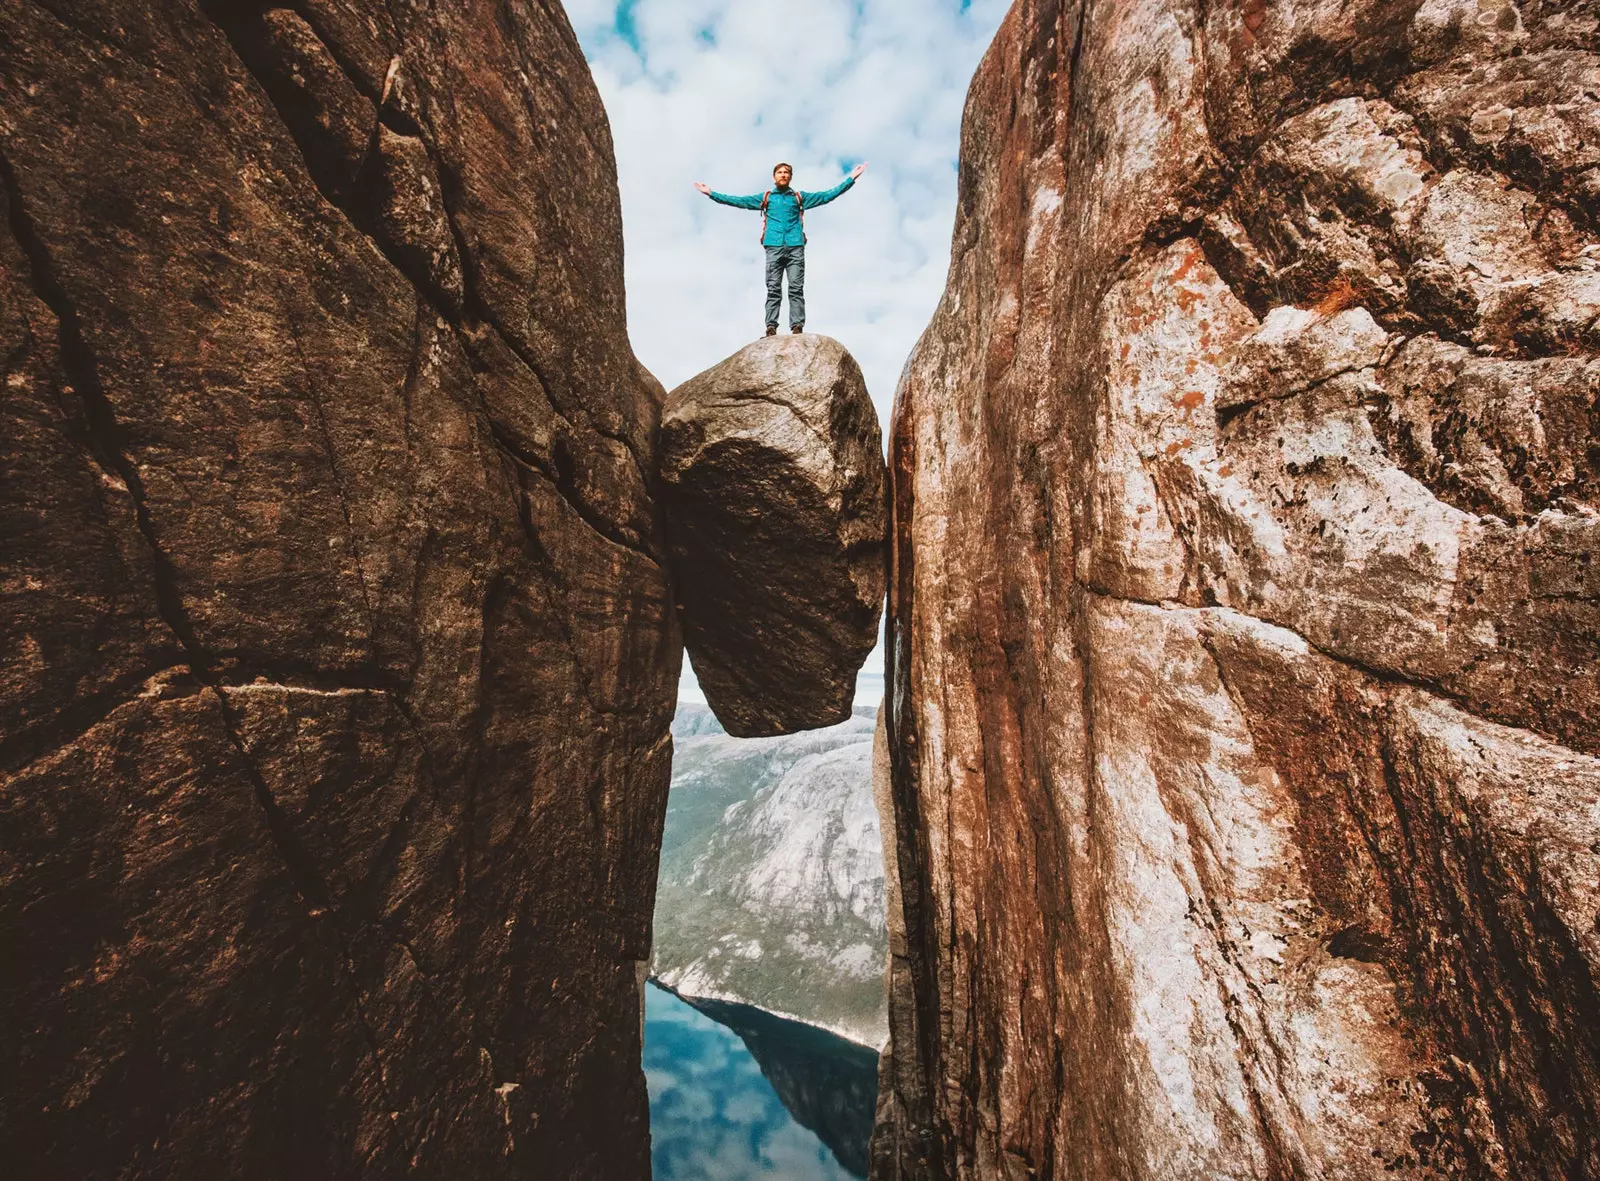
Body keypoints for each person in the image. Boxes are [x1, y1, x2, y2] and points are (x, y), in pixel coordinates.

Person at [694, 161, 868, 337]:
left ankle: (797, 327)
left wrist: (851, 178)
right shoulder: (767, 198)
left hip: (795, 247)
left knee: (796, 289)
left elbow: (827, 196)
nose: (783, 175)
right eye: (780, 172)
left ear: (790, 177)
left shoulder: (799, 197)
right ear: (774, 176)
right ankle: (771, 327)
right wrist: (711, 193)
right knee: (773, 289)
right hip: (774, 247)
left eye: (786, 173)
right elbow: (739, 201)